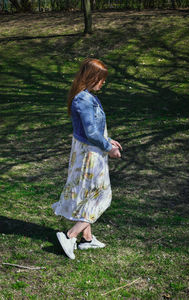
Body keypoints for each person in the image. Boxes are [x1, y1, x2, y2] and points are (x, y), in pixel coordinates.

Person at [52, 58, 122, 259]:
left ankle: (87, 240)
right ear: (91, 77)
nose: (103, 82)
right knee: (101, 196)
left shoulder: (86, 97)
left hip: (91, 150)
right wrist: (109, 148)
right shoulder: (83, 99)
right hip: (90, 155)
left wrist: (108, 139)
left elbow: (93, 128)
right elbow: (90, 133)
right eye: (101, 78)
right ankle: (70, 235)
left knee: (89, 195)